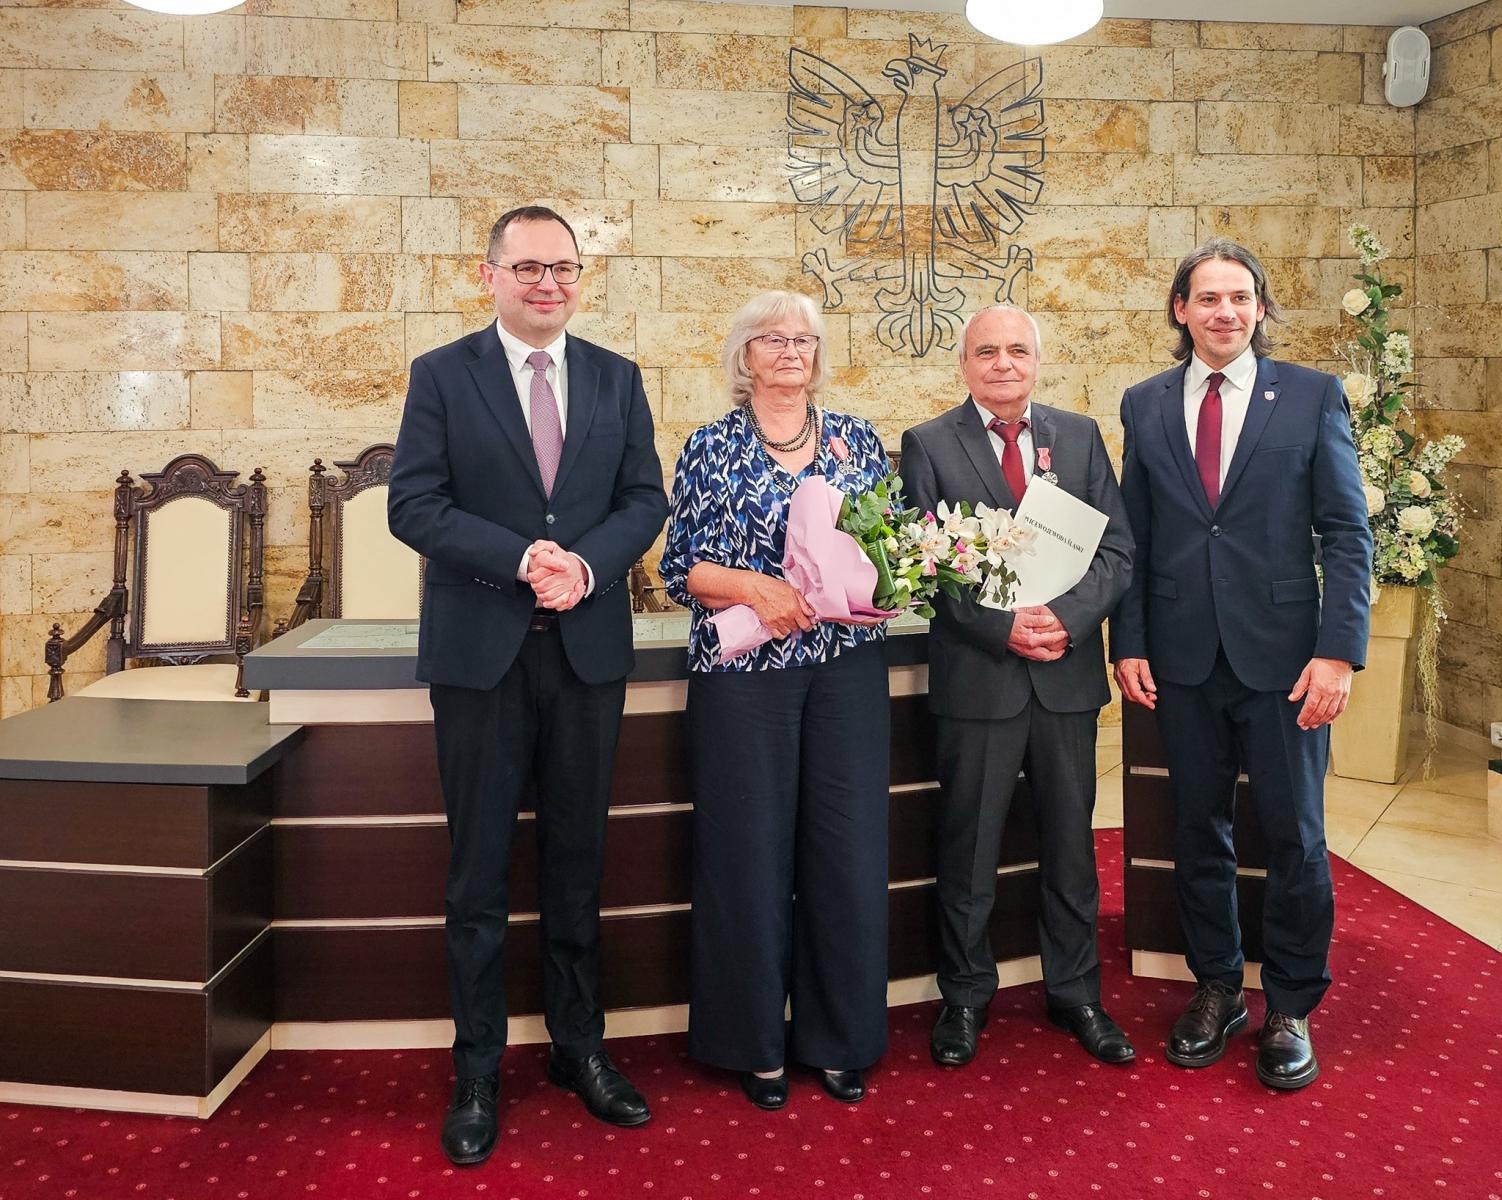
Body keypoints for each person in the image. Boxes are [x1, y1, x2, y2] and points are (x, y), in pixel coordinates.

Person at [388, 204, 668, 1164]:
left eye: (565, 269)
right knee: (476, 875)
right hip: (481, 655)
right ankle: (476, 1070)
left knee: (577, 864)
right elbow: (413, 504)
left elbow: (644, 501)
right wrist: (524, 559)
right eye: (529, 268)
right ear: (490, 274)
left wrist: (583, 567)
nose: (548, 284)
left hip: (586, 651)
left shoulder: (615, 378)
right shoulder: (442, 375)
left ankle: (578, 1049)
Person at [1110, 238, 1372, 1090]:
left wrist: (1338, 652)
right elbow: (1136, 539)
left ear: (1260, 308)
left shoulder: (1310, 396)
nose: (1224, 311)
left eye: (1240, 296)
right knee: (1197, 829)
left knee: (1295, 835)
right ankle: (1218, 987)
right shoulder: (1144, 404)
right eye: (1207, 297)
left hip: (1288, 660)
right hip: (1184, 659)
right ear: (1179, 312)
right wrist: (1133, 640)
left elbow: (1346, 531)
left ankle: (1291, 1004)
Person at [659, 291, 892, 1111]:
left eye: (804, 339)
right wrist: (759, 589)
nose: (790, 350)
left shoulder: (858, 439)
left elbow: (889, 548)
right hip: (744, 675)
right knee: (747, 853)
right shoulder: (711, 445)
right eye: (772, 339)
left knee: (847, 851)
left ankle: (839, 1039)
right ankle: (752, 1041)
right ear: (744, 357)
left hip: (845, 668)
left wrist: (882, 583)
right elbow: (679, 565)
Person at [900, 305, 1136, 1070]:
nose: (1004, 364)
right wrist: (1003, 629)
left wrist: (1064, 621)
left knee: (1072, 847)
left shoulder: (1080, 436)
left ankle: (1077, 994)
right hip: (981, 681)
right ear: (964, 364)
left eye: (1018, 351)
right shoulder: (929, 445)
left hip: (1065, 679)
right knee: (969, 848)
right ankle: (965, 996)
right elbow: (922, 570)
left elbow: (1117, 552)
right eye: (987, 352)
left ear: (1038, 360)